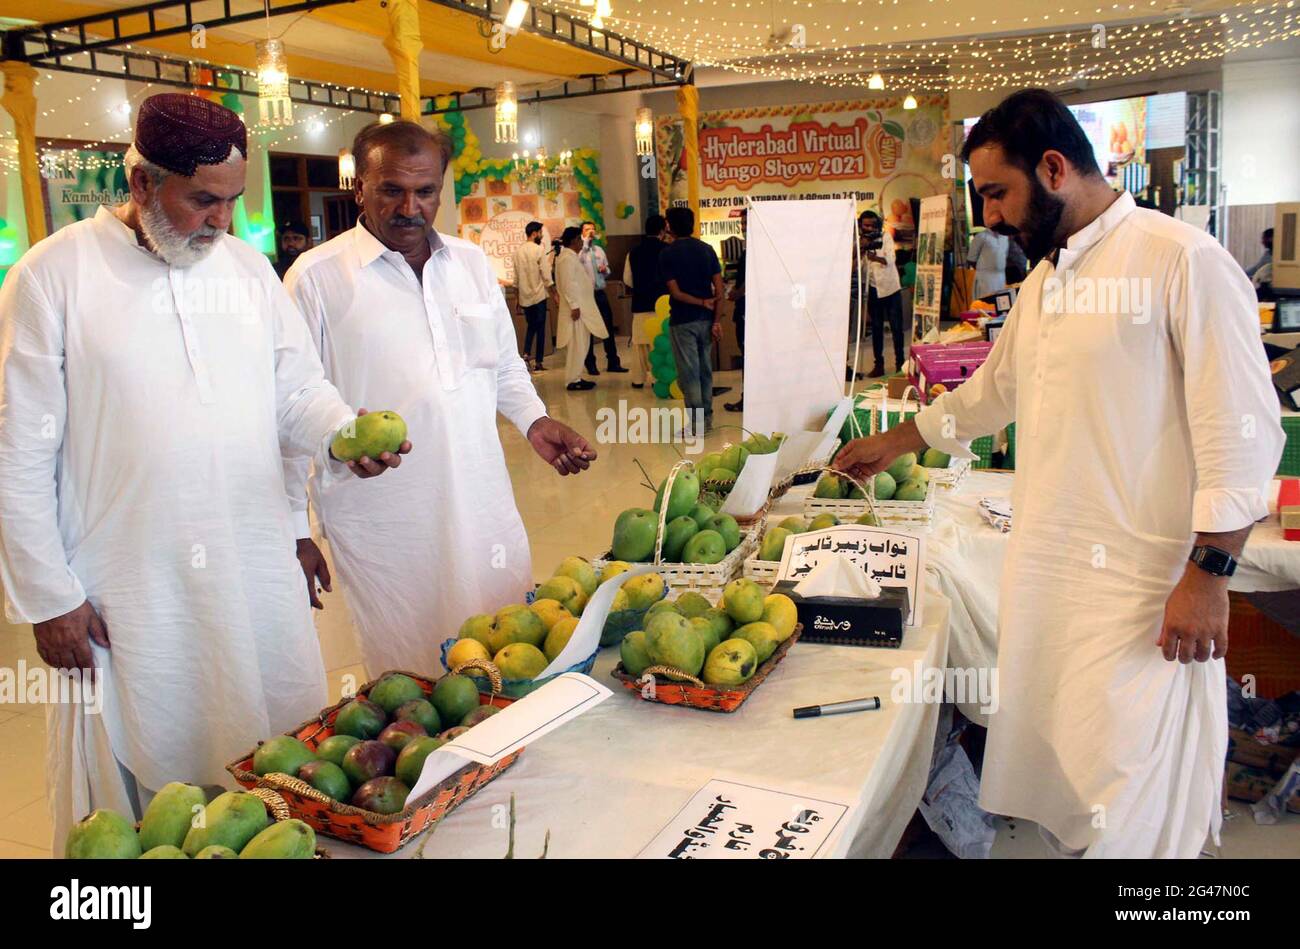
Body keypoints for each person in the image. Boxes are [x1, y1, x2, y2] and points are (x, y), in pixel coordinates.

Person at [834, 88, 1282, 858]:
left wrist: (1210, 571)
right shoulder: (1046, 280)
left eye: (997, 193)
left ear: (1053, 167)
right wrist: (901, 437)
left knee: (1138, 812)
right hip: (1054, 591)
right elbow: (993, 394)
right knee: (1076, 800)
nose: (992, 217)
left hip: (1149, 601)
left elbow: (1245, 428)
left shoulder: (1181, 261)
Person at [0, 93, 407, 853]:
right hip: (124, 582)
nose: (223, 221)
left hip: (248, 561)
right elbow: (15, 450)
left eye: (232, 202)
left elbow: (297, 392)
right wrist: (47, 596)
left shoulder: (248, 271)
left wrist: (342, 435)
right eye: (204, 201)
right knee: (146, 788)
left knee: (267, 740)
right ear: (143, 182)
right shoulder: (49, 279)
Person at [284, 120, 595, 677]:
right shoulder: (316, 279)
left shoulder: (471, 263)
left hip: (483, 498)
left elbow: (500, 362)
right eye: (391, 190)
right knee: (413, 671)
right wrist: (296, 529)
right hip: (383, 517)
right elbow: (288, 404)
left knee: (509, 644)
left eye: (425, 191)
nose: (410, 207)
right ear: (360, 187)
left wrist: (535, 420)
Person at [659, 206, 722, 435]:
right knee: (705, 369)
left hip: (682, 320)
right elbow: (720, 288)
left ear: (670, 226)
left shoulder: (667, 254)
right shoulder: (707, 250)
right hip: (706, 321)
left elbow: (675, 293)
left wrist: (699, 302)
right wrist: (715, 319)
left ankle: (696, 424)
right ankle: (707, 420)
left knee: (689, 373)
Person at [555, 225, 608, 392]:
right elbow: (568, 284)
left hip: (580, 308)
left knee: (582, 345)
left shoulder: (569, 257)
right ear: (574, 241)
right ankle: (572, 379)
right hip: (576, 311)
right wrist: (574, 306)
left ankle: (576, 376)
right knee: (577, 345)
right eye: (579, 239)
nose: (581, 242)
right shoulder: (566, 258)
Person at [622, 213, 668, 390]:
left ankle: (638, 379)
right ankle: (658, 378)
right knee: (659, 343)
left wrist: (641, 286)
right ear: (662, 230)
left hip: (640, 303)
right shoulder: (667, 249)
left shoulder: (633, 252)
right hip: (662, 304)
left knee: (639, 344)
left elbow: (627, 278)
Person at [579, 221, 627, 375]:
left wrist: (605, 269)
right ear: (581, 233)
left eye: (593, 229)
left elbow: (607, 270)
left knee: (607, 327)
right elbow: (578, 265)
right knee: (589, 330)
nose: (591, 232)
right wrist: (586, 243)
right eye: (587, 229)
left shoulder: (599, 250)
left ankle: (613, 362)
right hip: (586, 295)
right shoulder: (579, 251)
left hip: (600, 293)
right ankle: (590, 364)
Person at [860, 210, 904, 377]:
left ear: (877, 224)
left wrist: (875, 257)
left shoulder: (885, 237)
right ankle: (879, 365)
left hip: (891, 289)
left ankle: (900, 363)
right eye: (866, 225)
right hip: (872, 288)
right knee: (876, 328)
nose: (869, 228)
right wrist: (862, 249)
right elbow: (861, 265)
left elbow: (891, 260)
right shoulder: (861, 240)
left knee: (896, 327)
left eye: (872, 224)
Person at [513, 220, 554, 372]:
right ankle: (538, 361)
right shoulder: (538, 249)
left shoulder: (517, 252)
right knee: (541, 328)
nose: (542, 236)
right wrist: (554, 293)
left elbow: (516, 280)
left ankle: (525, 354)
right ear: (535, 233)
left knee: (531, 326)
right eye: (541, 233)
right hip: (539, 296)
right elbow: (546, 274)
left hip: (525, 297)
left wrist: (517, 298)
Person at [724, 208, 747, 413]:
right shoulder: (747, 250)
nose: (743, 228)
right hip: (744, 309)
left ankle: (746, 399)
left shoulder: (756, 251)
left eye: (747, 224)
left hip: (748, 311)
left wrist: (736, 294)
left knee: (748, 356)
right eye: (742, 224)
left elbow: (750, 282)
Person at [966, 227, 1010, 299]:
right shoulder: (981, 237)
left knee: (1000, 303)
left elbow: (1004, 256)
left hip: (1001, 277)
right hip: (985, 278)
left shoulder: (1005, 238)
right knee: (984, 304)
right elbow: (971, 259)